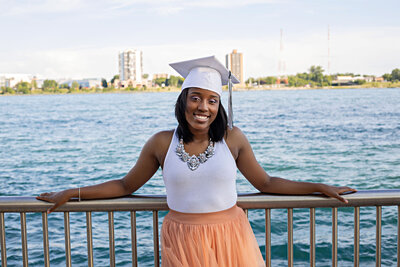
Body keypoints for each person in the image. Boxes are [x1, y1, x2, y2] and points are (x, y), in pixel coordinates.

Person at [37, 56, 356, 267]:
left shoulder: (233, 138)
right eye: (196, 97)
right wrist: (72, 193)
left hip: (231, 235)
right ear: (183, 101)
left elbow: (266, 183)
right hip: (182, 238)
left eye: (212, 100)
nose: (203, 106)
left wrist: (319, 187)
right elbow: (124, 185)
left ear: (219, 105)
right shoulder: (161, 142)